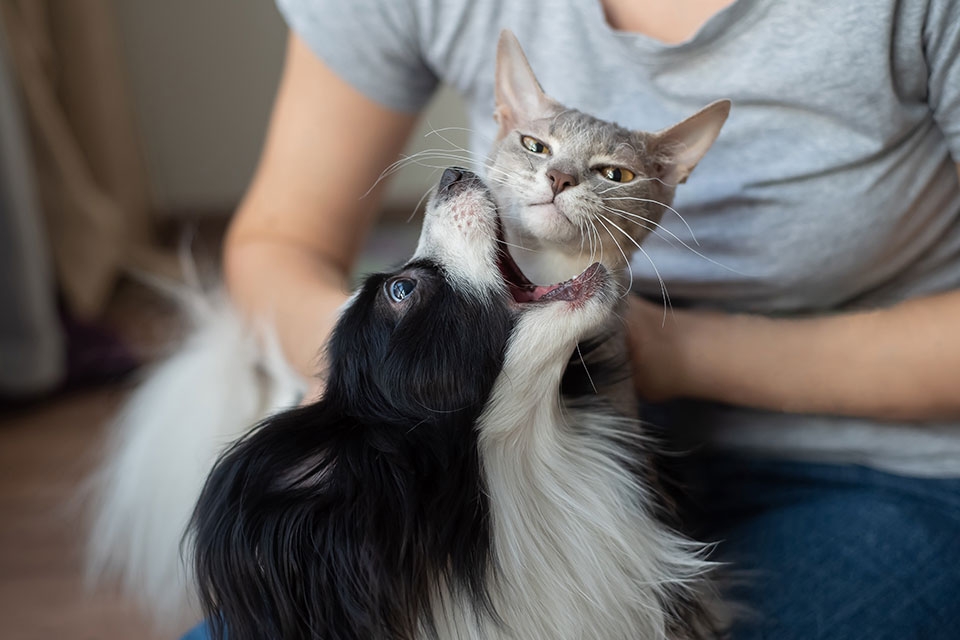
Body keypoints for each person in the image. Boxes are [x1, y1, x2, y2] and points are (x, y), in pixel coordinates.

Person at [189, 0, 960, 637]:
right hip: (498, 469)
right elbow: (280, 240)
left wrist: (671, 349)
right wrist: (385, 373)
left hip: (881, 471)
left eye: (608, 172)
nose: (558, 177)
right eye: (538, 149)